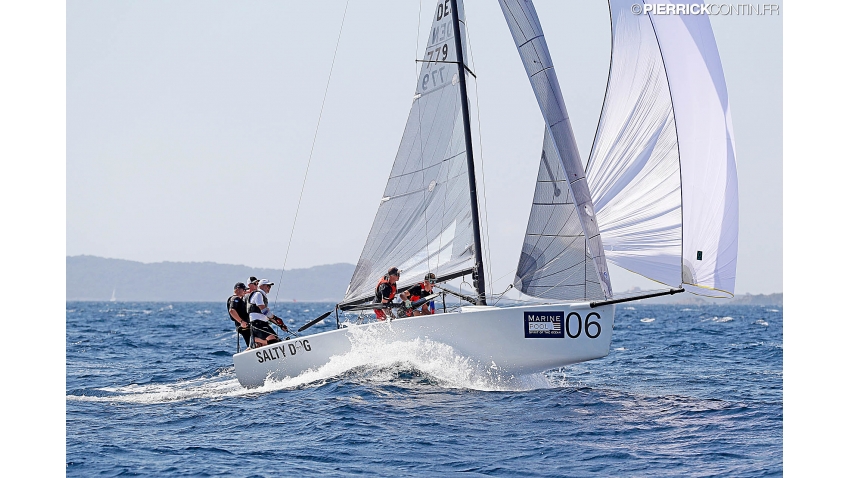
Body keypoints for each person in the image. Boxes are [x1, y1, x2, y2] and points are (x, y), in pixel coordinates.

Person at [246, 279, 289, 347]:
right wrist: (275, 318)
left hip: (263, 323)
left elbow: (267, 315)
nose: (269, 288)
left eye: (270, 286)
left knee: (277, 340)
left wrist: (280, 325)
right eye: (268, 286)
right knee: (273, 341)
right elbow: (264, 311)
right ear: (262, 286)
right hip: (257, 323)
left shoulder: (263, 296)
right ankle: (255, 339)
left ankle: (257, 341)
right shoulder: (258, 294)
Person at [227, 282, 252, 348]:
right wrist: (241, 322)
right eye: (243, 290)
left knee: (252, 343)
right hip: (243, 326)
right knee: (251, 343)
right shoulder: (235, 298)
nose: (245, 291)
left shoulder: (240, 299)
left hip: (246, 325)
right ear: (237, 289)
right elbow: (232, 310)